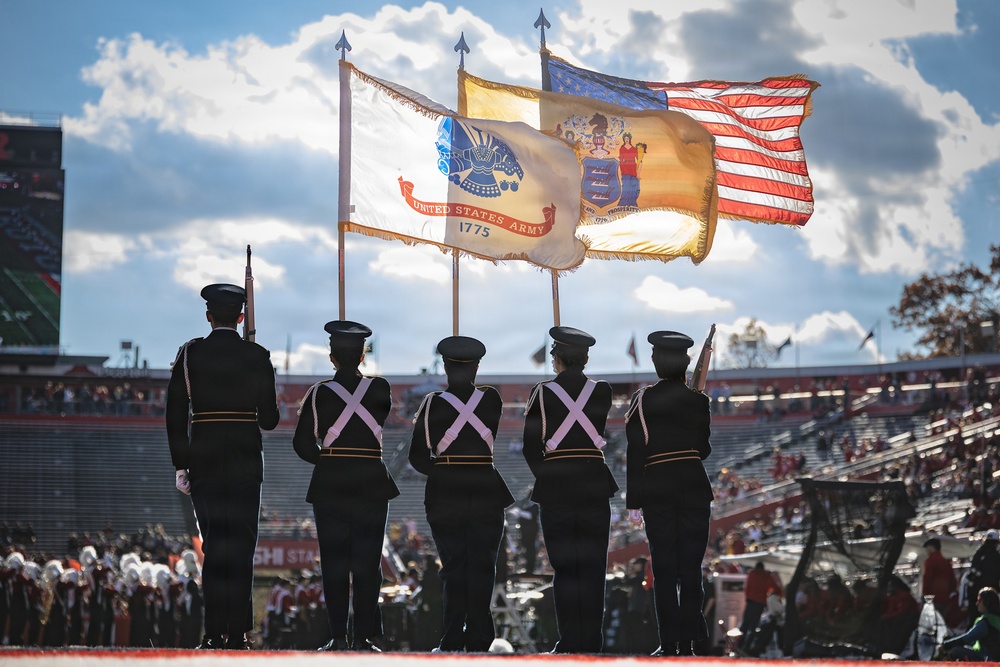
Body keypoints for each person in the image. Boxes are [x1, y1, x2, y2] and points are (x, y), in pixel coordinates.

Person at [166, 283, 279, 650]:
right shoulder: (258, 355)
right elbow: (269, 420)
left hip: (205, 459)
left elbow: (175, 414)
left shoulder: (190, 353)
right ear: (242, 317)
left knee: (214, 546)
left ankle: (214, 633)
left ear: (209, 315)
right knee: (243, 548)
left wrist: (181, 464)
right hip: (246, 459)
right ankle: (239, 633)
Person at [292, 320, 399, 652]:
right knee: (367, 563)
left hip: (331, 484)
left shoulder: (318, 393)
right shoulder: (380, 388)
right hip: (370, 480)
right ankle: (365, 636)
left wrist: (328, 462)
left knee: (334, 563)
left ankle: (338, 635)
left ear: (331, 356)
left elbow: (301, 443)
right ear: (363, 355)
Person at [408, 335, 514, 652]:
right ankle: (481, 638)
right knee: (483, 567)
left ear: (444, 366)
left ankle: (452, 637)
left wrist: (445, 471)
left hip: (447, 493)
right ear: (477, 367)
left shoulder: (432, 404)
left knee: (454, 567)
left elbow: (417, 457)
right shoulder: (491, 399)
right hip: (485, 487)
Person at [522, 326, 618, 654]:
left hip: (557, 487)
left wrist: (548, 476)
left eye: (553, 355)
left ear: (558, 357)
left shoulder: (542, 392)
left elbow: (529, 448)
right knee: (593, 569)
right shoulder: (602, 391)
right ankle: (592, 643)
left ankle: (568, 643)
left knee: (564, 569)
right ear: (586, 357)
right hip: (594, 482)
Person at [624, 330, 713, 657]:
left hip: (657, 487)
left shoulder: (642, 400)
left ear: (657, 361)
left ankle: (670, 643)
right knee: (691, 569)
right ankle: (689, 643)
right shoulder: (698, 400)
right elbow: (703, 450)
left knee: (663, 570)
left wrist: (633, 503)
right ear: (685, 363)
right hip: (693, 485)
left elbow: (636, 452)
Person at [939, 587, 1000, 661]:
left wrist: (945, 645)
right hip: (994, 656)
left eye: (979, 600)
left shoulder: (986, 622)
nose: (977, 604)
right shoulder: (995, 619)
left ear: (987, 602)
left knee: (955, 650)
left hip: (987, 657)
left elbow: (967, 639)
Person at [921, 537, 960, 626]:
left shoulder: (930, 561)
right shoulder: (946, 562)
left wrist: (925, 594)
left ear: (931, 547)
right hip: (945, 599)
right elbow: (953, 581)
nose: (926, 550)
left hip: (932, 598)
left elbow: (927, 578)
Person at [967, 530, 1000, 624]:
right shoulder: (996, 556)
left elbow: (972, 575)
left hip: (975, 593)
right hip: (991, 595)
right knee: (990, 620)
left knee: (973, 619)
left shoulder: (978, 553)